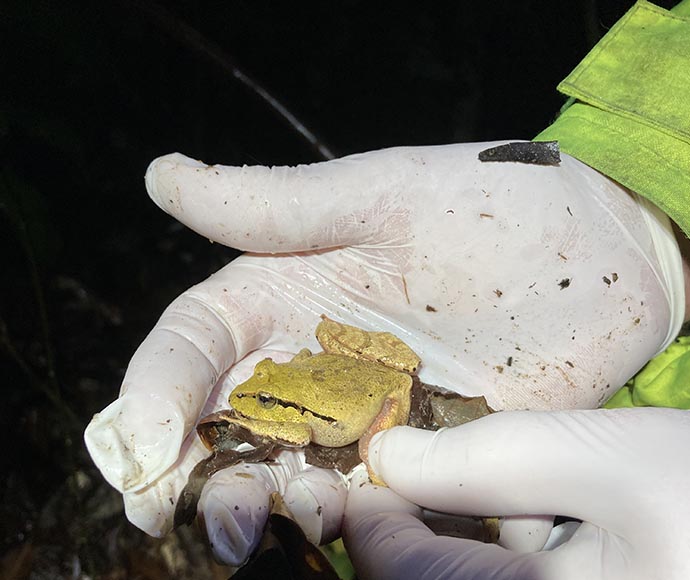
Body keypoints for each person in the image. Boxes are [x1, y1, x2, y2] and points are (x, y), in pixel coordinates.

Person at [85, 1, 690, 577]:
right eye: (261, 396)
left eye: (261, 397)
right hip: (338, 377)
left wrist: (264, 425)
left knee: (380, 492)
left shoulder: (289, 418)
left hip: (378, 401)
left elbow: (293, 427)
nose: (253, 396)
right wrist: (647, 195)